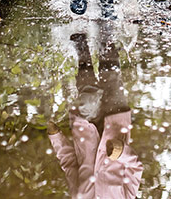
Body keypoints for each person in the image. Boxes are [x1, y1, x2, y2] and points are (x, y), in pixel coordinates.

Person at [48, 23, 143, 198]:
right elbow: (136, 167)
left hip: (86, 131)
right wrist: (121, 153)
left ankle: (82, 49)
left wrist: (56, 138)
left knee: (87, 93)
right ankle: (106, 35)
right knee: (112, 77)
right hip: (115, 126)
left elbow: (69, 164)